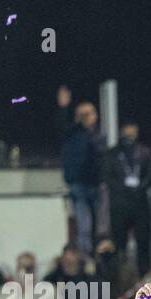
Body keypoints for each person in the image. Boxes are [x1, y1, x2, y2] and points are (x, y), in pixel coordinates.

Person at [103, 123, 151, 274]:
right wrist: (125, 190)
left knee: (143, 242)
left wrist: (140, 188)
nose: (130, 137)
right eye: (127, 134)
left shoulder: (144, 152)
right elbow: (108, 177)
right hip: (120, 205)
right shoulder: (113, 154)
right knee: (119, 244)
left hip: (140, 204)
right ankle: (120, 276)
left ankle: (144, 275)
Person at [57, 86, 103, 255]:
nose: (86, 117)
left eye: (88, 113)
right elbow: (62, 126)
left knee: (100, 227)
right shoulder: (73, 134)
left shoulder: (101, 134)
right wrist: (64, 108)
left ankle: (99, 257)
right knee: (84, 227)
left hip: (98, 184)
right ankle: (86, 258)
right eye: (82, 114)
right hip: (79, 184)